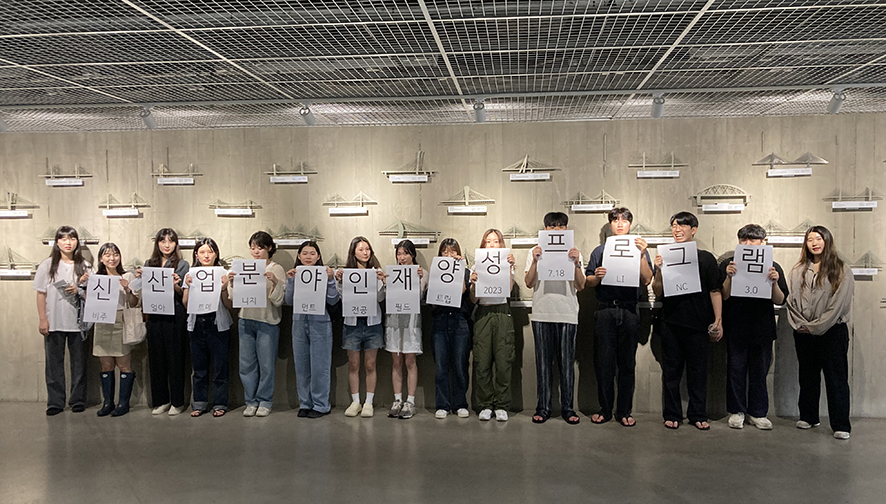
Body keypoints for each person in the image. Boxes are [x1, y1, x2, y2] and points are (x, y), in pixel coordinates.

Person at [652, 211, 722, 431]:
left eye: (682, 225)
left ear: (694, 230)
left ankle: (698, 414)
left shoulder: (706, 258)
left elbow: (715, 290)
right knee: (671, 372)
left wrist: (718, 320)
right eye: (674, 225)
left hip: (699, 323)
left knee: (698, 372)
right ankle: (672, 414)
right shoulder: (665, 256)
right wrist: (659, 271)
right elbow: (657, 291)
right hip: (670, 322)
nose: (677, 229)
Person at [585, 208, 653, 427]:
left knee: (627, 364)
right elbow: (588, 281)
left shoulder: (639, 248)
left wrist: (642, 254)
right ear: (610, 225)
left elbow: (647, 279)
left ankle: (624, 411)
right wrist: (597, 277)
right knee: (603, 363)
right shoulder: (600, 250)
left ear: (630, 224)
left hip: (630, 309)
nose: (620, 224)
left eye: (624, 220)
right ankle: (605, 409)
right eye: (615, 220)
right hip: (605, 309)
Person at [785, 226, 854, 440]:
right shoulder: (798, 270)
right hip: (803, 331)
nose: (814, 243)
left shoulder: (841, 269)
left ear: (827, 241)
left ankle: (841, 424)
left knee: (836, 378)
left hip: (832, 331)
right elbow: (791, 301)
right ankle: (809, 416)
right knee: (807, 375)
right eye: (810, 239)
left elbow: (839, 305)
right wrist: (801, 324)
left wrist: (816, 327)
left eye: (818, 238)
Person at [720, 224, 788, 430]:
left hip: (762, 327)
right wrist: (728, 277)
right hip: (735, 325)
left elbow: (780, 300)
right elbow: (723, 296)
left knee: (760, 372)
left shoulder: (773, 265)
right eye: (744, 240)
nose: (748, 244)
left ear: (763, 242)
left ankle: (758, 413)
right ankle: (736, 411)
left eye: (753, 240)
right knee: (735, 370)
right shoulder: (728, 264)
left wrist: (774, 282)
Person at [524, 212, 586, 425]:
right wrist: (535, 260)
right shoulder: (534, 251)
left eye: (561, 226)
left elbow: (581, 285)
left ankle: (568, 408)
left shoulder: (574, 251)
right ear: (545, 229)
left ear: (566, 229)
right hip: (542, 312)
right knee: (543, 364)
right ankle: (543, 407)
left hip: (568, 312)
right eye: (552, 226)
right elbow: (529, 282)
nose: (556, 229)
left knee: (567, 364)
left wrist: (576, 263)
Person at [33, 226, 90, 416]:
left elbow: (94, 295)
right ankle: (55, 402)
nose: (68, 242)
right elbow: (40, 294)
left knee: (79, 364)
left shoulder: (85, 266)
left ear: (77, 242)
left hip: (78, 322)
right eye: (64, 239)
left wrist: (80, 290)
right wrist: (43, 319)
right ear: (57, 242)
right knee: (53, 364)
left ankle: (78, 400)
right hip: (54, 321)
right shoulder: (47, 265)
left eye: (72, 238)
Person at [230, 231, 285, 418]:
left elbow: (279, 300)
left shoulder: (277, 269)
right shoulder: (244, 267)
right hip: (246, 319)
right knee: (246, 364)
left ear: (269, 248)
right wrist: (232, 283)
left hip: (267, 321)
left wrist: (275, 282)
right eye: (253, 248)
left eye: (260, 248)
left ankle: (265, 401)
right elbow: (234, 298)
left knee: (267, 365)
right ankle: (250, 401)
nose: (256, 251)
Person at [285, 241, 340, 418]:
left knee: (320, 366)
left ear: (318, 257)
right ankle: (305, 403)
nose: (308, 256)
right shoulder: (294, 274)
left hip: (321, 323)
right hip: (299, 323)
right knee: (301, 366)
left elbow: (333, 300)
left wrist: (330, 280)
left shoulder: (325, 273)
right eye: (305, 253)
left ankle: (321, 404)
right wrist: (290, 281)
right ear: (299, 256)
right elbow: (289, 301)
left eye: (312, 253)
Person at [183, 238, 233, 417]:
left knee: (220, 367)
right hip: (196, 324)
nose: (206, 255)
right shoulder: (191, 273)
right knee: (199, 368)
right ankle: (199, 403)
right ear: (196, 254)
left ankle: (220, 403)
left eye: (210, 252)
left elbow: (228, 305)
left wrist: (224, 288)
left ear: (216, 254)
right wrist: (188, 287)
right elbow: (185, 303)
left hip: (218, 324)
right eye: (202, 252)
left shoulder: (224, 273)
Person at [336, 236, 386, 418]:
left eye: (367, 249)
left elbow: (380, 298)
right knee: (354, 364)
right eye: (361, 249)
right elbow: (342, 297)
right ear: (353, 252)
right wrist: (340, 282)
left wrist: (382, 282)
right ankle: (355, 401)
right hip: (352, 324)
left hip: (373, 323)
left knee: (370, 364)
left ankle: (369, 402)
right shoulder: (346, 273)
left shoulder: (376, 272)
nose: (365, 252)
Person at [469, 229, 516, 422]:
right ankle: (486, 404)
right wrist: (473, 283)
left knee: (504, 361)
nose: (492, 244)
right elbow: (473, 299)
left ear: (501, 244)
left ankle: (502, 405)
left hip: (502, 312)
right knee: (482, 362)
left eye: (495, 241)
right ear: (483, 244)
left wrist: (510, 268)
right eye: (488, 241)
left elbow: (509, 290)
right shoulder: (476, 265)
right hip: (483, 312)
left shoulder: (507, 263)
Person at [142, 228, 190, 416]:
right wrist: (140, 279)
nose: (167, 245)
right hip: (154, 315)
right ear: (157, 243)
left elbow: (182, 292)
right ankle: (161, 400)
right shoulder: (149, 264)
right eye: (163, 241)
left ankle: (177, 402)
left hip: (175, 315)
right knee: (156, 359)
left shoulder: (182, 264)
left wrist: (176, 285)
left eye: (171, 241)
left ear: (176, 244)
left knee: (175, 358)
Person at [92, 242, 140, 417]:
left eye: (115, 254)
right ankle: (108, 403)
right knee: (106, 364)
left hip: (121, 319)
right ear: (101, 258)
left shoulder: (128, 275)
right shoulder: (96, 277)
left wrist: (127, 288)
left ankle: (123, 403)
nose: (112, 258)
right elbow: (89, 302)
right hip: (102, 321)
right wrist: (83, 286)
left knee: (124, 364)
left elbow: (134, 303)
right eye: (107, 255)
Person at [385, 240, 427, 420]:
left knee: (410, 361)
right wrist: (384, 281)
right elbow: (385, 295)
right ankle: (397, 400)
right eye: (399, 253)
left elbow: (420, 296)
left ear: (413, 255)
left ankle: (410, 401)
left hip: (411, 322)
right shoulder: (391, 273)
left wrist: (420, 279)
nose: (402, 257)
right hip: (394, 321)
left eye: (406, 253)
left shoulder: (421, 272)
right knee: (396, 361)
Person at [431, 238, 473, 419]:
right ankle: (442, 404)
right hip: (440, 320)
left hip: (460, 320)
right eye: (445, 251)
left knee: (460, 364)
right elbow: (431, 300)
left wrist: (460, 268)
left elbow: (462, 291)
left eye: (453, 251)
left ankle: (460, 403)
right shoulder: (435, 271)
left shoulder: (466, 272)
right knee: (441, 365)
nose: (449, 255)